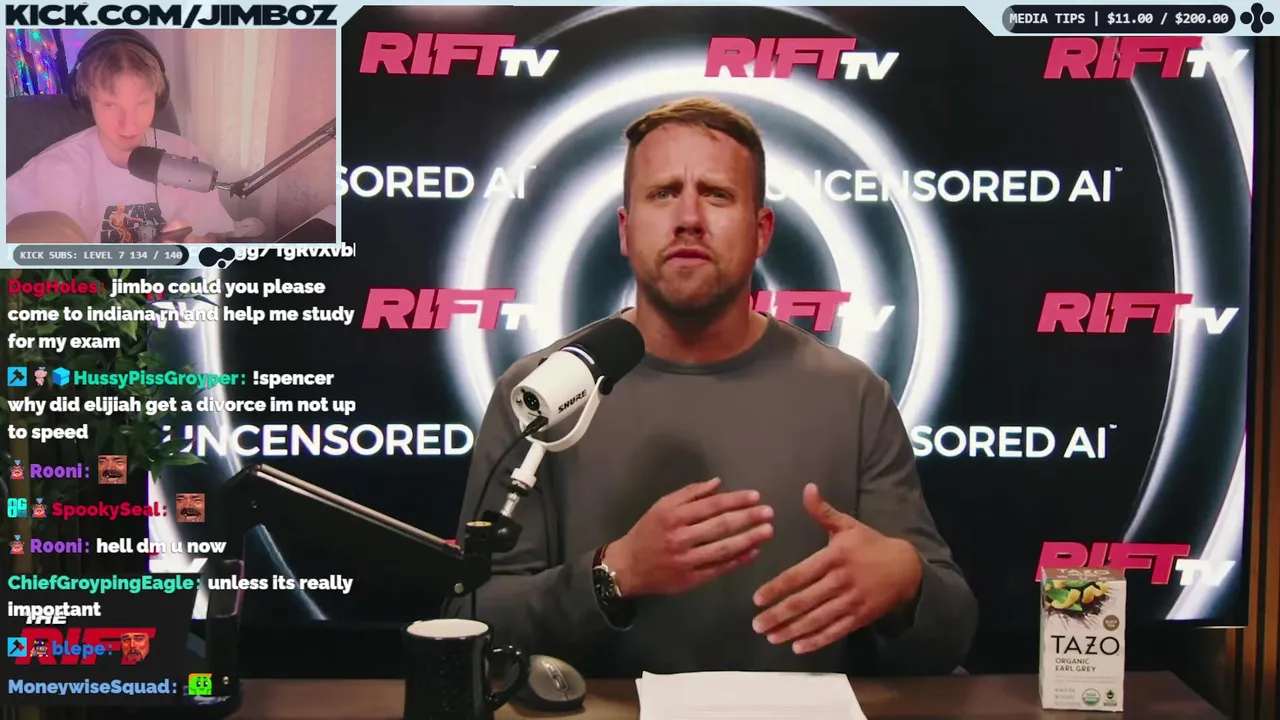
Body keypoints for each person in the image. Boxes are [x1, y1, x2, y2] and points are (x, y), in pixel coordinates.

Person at [454, 97, 977, 677]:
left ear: (761, 232)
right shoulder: (540, 394)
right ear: (626, 231)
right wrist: (613, 574)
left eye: (717, 194)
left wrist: (903, 581)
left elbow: (951, 635)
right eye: (662, 193)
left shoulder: (853, 397)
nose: (688, 218)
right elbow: (471, 619)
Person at [6, 30, 234, 243]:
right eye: (110, 105)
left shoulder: (187, 156)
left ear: (159, 98)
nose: (129, 124)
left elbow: (216, 237)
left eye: (142, 103)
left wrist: (198, 246)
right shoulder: (51, 172)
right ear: (85, 99)